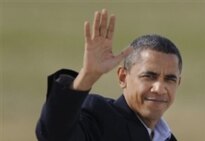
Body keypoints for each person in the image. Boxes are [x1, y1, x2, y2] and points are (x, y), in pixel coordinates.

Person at [36, 9, 182, 141]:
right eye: (149, 76)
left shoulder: (167, 138)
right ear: (123, 77)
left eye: (170, 79)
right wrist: (88, 76)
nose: (159, 88)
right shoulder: (99, 117)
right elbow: (54, 135)